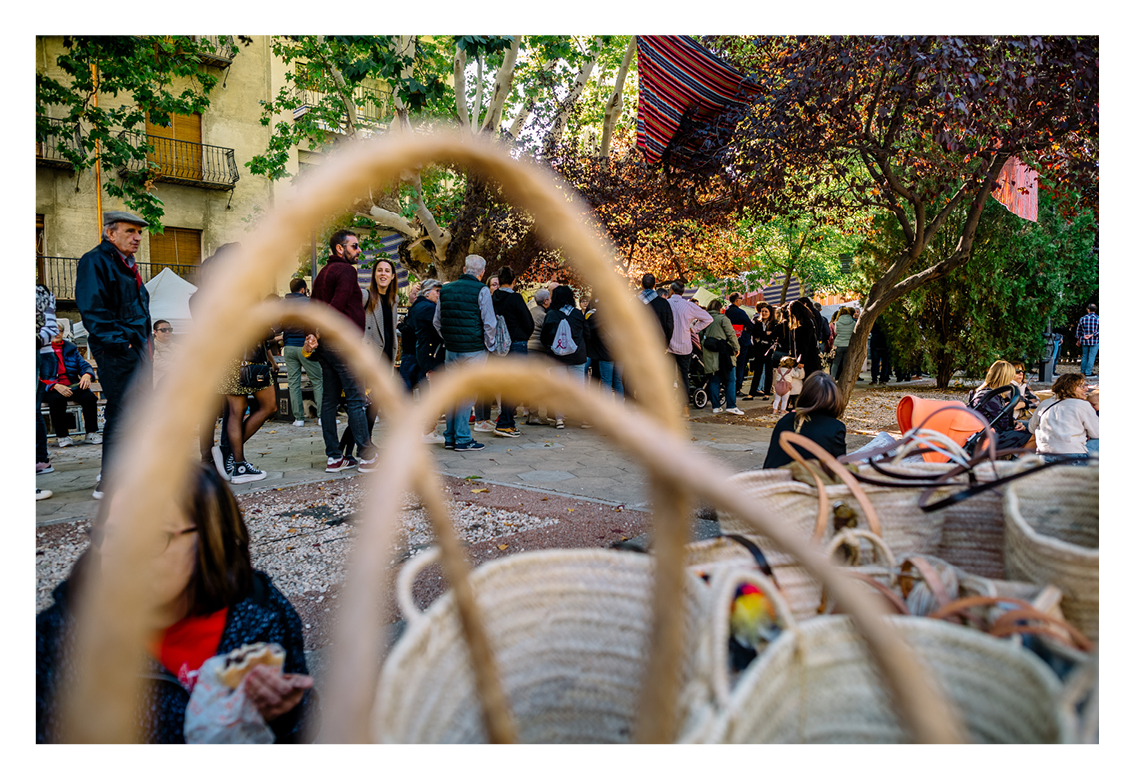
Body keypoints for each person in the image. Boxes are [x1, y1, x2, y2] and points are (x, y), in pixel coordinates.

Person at [36, 463, 316, 743]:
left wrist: (284, 715)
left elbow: (302, 729)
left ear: (209, 539)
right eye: (113, 535)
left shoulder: (262, 613)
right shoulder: (60, 639)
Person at [75, 211, 154, 500]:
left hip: (136, 349)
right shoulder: (95, 261)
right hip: (118, 350)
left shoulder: (126, 264)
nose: (137, 237)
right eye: (130, 231)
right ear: (111, 233)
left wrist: (144, 348)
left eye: (140, 232)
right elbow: (93, 310)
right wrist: (123, 345)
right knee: (121, 412)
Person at [310, 229, 376, 473]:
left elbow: (312, 308)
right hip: (343, 343)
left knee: (329, 401)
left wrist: (313, 334)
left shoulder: (322, 274)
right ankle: (367, 457)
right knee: (356, 399)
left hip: (326, 347)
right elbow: (337, 304)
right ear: (340, 248)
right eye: (354, 246)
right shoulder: (347, 271)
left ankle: (334, 458)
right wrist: (320, 331)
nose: (359, 250)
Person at [339, 258, 397, 466]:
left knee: (373, 409)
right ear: (374, 275)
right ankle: (346, 450)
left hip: (385, 362)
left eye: (387, 271)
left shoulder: (393, 300)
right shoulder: (365, 296)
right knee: (363, 409)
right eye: (379, 270)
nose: (383, 274)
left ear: (392, 276)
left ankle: (366, 445)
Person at [434, 254, 495, 451]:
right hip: (474, 349)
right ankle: (462, 438)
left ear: (464, 269)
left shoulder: (445, 289)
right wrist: (489, 345)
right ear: (482, 273)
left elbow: (437, 321)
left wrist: (448, 338)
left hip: (451, 350)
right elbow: (489, 323)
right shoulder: (482, 290)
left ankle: (450, 437)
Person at [217, 304, 277, 484]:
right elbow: (264, 331)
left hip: (227, 360)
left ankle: (236, 462)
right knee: (269, 407)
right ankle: (233, 459)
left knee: (237, 411)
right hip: (250, 363)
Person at [763, 372, 846, 469]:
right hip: (809, 478)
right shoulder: (835, 428)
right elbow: (840, 469)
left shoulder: (786, 420)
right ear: (835, 398)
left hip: (773, 477)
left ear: (804, 394)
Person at [491, 267, 535, 437]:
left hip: (498, 347)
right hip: (516, 344)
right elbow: (528, 322)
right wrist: (523, 336)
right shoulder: (515, 298)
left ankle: (507, 422)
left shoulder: (492, 298)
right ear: (514, 281)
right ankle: (504, 423)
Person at [40, 330, 101, 448]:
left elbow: (84, 365)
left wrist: (87, 375)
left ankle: (91, 433)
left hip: (71, 385)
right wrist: (54, 385)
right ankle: (62, 436)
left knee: (89, 397)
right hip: (49, 388)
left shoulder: (71, 349)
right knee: (57, 400)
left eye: (60, 331)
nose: (57, 333)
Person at [541, 284, 589, 429]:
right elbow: (587, 334)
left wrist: (551, 347)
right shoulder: (578, 314)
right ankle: (583, 418)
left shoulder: (551, 315)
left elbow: (544, 337)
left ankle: (559, 419)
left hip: (557, 358)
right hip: (577, 356)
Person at [1027, 372, 1099, 464]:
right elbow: (1097, 433)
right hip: (1072, 456)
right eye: (1082, 386)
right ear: (1070, 387)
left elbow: (1031, 428)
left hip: (1044, 455)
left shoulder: (1045, 403)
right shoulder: (1083, 405)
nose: (1086, 389)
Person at [409, 278, 446, 444]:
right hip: (432, 355)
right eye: (437, 291)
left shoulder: (419, 305)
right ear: (427, 292)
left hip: (427, 353)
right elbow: (440, 328)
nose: (439, 294)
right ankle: (428, 431)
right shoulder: (428, 307)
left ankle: (428, 430)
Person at [281, 279, 323, 427]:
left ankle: (298, 418)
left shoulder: (282, 304)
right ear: (303, 289)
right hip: (306, 346)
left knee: (293, 383)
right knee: (317, 380)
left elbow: (278, 325)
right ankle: (322, 417)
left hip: (289, 347)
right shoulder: (309, 302)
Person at [667, 281, 713, 412]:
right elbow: (708, 318)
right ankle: (685, 407)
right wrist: (693, 329)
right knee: (683, 376)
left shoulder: (666, 303)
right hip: (684, 345)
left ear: (671, 290)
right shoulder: (689, 306)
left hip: (668, 345)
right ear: (683, 292)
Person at [967, 360, 1031, 450]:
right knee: (1033, 434)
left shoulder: (986, 392)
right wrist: (1015, 424)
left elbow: (1000, 418)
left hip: (984, 432)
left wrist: (1015, 423)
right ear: (1005, 378)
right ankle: (1017, 459)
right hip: (989, 437)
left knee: (1028, 426)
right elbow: (1004, 424)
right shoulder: (991, 397)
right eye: (1011, 377)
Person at [702, 299, 744, 415]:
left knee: (714, 380)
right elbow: (731, 334)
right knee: (730, 380)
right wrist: (736, 348)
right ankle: (731, 405)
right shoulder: (722, 319)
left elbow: (700, 335)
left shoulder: (704, 319)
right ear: (719, 308)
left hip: (709, 354)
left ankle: (716, 406)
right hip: (724, 354)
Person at [37, 283, 59, 494]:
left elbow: (50, 328)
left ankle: (40, 460)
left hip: (41, 354)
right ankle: (40, 460)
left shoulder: (40, 292)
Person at [524, 287, 554, 425]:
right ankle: (534, 415)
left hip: (528, 349)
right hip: (538, 351)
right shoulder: (544, 315)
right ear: (546, 301)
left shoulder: (531, 311)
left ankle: (532, 413)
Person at [585, 299, 624, 399]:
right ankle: (620, 407)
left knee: (606, 382)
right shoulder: (621, 314)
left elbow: (587, 329)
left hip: (605, 352)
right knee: (618, 381)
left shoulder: (598, 316)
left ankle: (609, 408)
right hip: (620, 351)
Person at [725, 293, 755, 399]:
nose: (742, 300)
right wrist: (746, 327)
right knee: (740, 365)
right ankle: (737, 387)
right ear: (737, 300)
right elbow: (751, 325)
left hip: (729, 341)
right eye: (741, 298)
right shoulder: (740, 312)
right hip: (742, 341)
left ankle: (730, 386)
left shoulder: (726, 311)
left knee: (730, 364)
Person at [638, 273, 674, 350]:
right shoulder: (663, 303)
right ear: (654, 285)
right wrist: (665, 344)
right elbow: (669, 325)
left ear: (642, 285)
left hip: (638, 345)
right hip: (658, 344)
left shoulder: (634, 302)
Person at [748, 303, 775, 400]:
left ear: (770, 313)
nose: (763, 313)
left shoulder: (774, 323)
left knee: (768, 372)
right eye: (762, 311)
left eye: (766, 311)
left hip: (770, 349)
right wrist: (765, 333)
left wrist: (763, 335)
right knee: (757, 371)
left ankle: (767, 393)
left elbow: (774, 334)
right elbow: (754, 333)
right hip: (759, 349)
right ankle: (751, 393)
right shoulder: (757, 322)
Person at [788, 299, 821, 377]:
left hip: (807, 356)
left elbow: (805, 342)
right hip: (810, 355)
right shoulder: (810, 321)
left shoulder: (805, 323)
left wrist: (802, 360)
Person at [151, 319, 181, 390]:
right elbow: (158, 363)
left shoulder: (180, 347)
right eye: (163, 330)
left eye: (170, 330)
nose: (167, 332)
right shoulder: (151, 347)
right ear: (155, 332)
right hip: (162, 381)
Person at [829, 306, 857, 382]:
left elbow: (836, 332)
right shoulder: (853, 323)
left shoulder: (837, 323)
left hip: (838, 344)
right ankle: (844, 379)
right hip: (848, 345)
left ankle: (832, 378)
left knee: (835, 363)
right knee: (845, 364)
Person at [1075, 303, 1099, 376]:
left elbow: (1078, 330)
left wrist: (1078, 340)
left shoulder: (1082, 318)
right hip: (1095, 341)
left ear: (1088, 310)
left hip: (1084, 340)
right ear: (1095, 310)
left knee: (1084, 356)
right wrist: (1093, 335)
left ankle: (1083, 372)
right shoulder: (1098, 319)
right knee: (1091, 357)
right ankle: (1088, 372)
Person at [869, 316, 891, 385]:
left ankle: (874, 379)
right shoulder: (888, 320)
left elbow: (871, 330)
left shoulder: (874, 320)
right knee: (885, 362)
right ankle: (882, 379)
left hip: (875, 342)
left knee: (875, 362)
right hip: (885, 342)